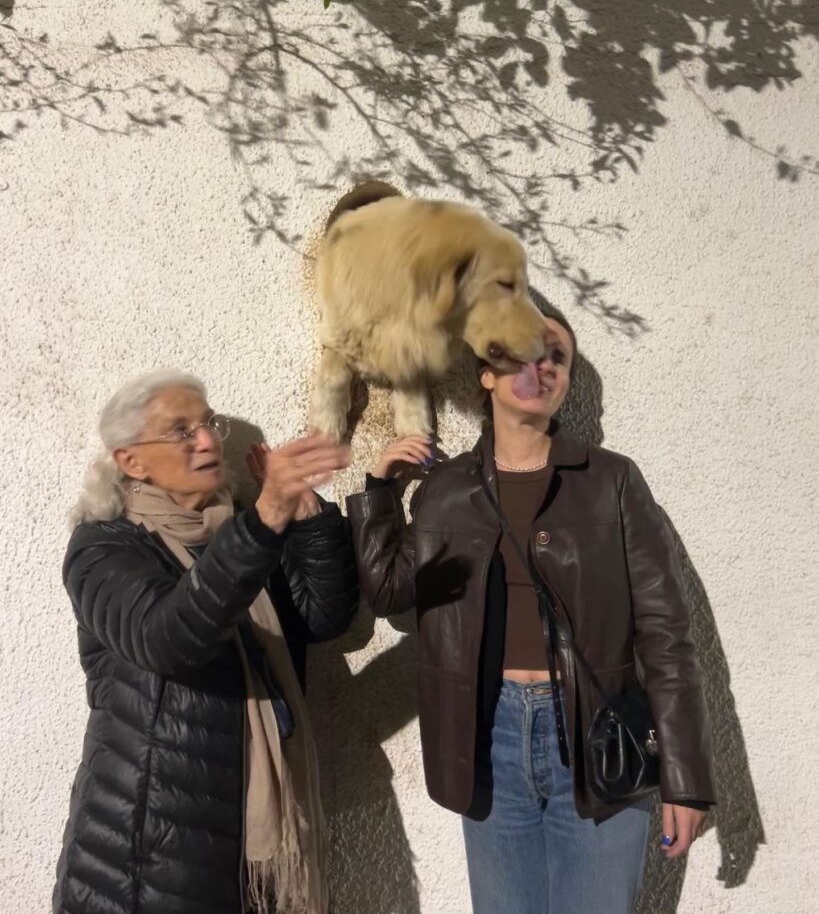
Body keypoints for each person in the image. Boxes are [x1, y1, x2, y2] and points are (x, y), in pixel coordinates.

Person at [347, 313, 715, 914]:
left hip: (597, 736)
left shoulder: (612, 481)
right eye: (523, 353)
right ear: (487, 374)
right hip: (488, 739)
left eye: (558, 358)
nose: (542, 367)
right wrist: (377, 491)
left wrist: (687, 777)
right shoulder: (449, 490)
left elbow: (666, 634)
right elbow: (391, 592)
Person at [54, 370, 357, 914]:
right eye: (181, 430)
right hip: (150, 850)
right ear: (131, 462)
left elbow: (318, 619)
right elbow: (170, 638)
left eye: (208, 423)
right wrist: (266, 520)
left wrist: (305, 513)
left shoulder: (232, 527)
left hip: (243, 836)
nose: (208, 439)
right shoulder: (103, 549)